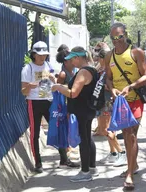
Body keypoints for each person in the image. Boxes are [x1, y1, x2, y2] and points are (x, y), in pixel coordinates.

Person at [105, 22, 146, 190]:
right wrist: (113, 90)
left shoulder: (136, 52)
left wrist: (131, 87)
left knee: (131, 135)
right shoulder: (109, 56)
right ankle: (134, 165)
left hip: (135, 99)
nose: (116, 40)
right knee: (126, 134)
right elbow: (108, 78)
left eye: (119, 36)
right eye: (113, 38)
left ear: (125, 35)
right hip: (119, 102)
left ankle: (130, 174)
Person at [21, 41, 73, 173]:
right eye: (39, 55)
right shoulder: (28, 69)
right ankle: (38, 162)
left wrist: (53, 79)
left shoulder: (48, 65)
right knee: (35, 133)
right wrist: (29, 86)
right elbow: (23, 91)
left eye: (44, 54)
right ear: (33, 54)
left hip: (49, 101)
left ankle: (64, 158)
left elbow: (54, 83)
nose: (42, 57)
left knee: (58, 127)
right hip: (34, 102)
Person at [52, 46, 98, 182]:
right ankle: (91, 167)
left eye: (72, 59)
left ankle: (85, 172)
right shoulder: (92, 69)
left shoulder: (83, 72)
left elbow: (73, 93)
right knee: (87, 138)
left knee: (83, 140)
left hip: (81, 110)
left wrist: (58, 87)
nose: (71, 62)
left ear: (78, 58)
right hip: (88, 109)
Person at [93, 42, 127, 167]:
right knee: (103, 129)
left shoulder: (108, 71)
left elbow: (111, 85)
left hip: (107, 102)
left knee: (107, 130)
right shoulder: (100, 69)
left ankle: (121, 153)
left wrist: (107, 87)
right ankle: (113, 153)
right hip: (102, 102)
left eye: (98, 56)